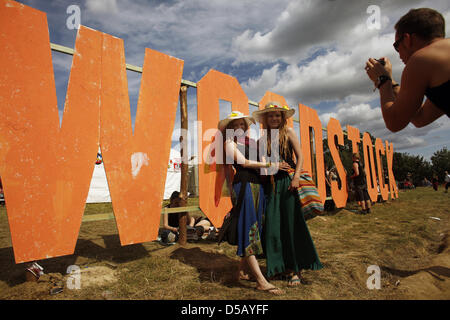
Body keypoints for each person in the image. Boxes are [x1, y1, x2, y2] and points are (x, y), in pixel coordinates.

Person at [252, 102, 323, 287]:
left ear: (282, 118)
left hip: (288, 183)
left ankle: (296, 270)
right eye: (270, 115)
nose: (274, 118)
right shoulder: (261, 140)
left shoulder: (289, 132)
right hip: (271, 186)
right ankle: (278, 267)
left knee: (292, 226)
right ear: (265, 119)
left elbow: (300, 157)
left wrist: (296, 177)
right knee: (273, 228)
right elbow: (263, 166)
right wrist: (271, 167)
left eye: (277, 115)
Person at [219, 111, 286, 295]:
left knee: (256, 227)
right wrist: (270, 166)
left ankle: (240, 270)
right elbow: (244, 163)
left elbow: (264, 163)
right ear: (230, 129)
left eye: (242, 124)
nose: (239, 127)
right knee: (249, 226)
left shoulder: (252, 143)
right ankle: (261, 281)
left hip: (258, 186)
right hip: (244, 184)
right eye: (235, 125)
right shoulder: (228, 143)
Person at [365, 8, 449, 132]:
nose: (399, 55)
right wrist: (391, 81)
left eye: (396, 46)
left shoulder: (421, 59)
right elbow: (420, 117)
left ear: (407, 39)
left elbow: (395, 122)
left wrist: (382, 81)